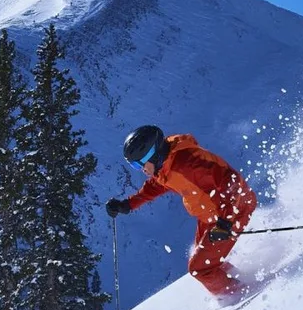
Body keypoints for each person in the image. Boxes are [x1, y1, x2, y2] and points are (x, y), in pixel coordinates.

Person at [106, 125, 258, 299]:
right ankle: (239, 284)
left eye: (137, 164)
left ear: (152, 155)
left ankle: (241, 298)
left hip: (233, 211)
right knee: (203, 263)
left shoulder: (187, 164)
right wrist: (127, 205)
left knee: (200, 269)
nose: (140, 169)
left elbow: (231, 180)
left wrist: (226, 222)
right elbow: (156, 186)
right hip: (210, 215)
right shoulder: (167, 165)